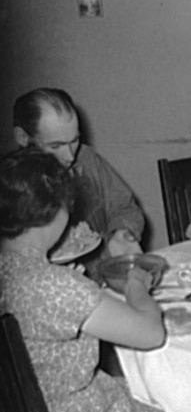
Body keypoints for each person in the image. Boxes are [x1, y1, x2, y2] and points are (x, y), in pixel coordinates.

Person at [0, 148, 174, 412]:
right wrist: (135, 285)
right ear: (54, 211)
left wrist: (74, 288)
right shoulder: (52, 285)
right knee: (180, 405)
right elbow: (151, 333)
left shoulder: (15, 270)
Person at [13, 87, 145, 275]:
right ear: (23, 138)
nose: (69, 156)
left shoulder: (87, 158)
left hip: (103, 279)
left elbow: (124, 207)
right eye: (55, 145)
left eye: (74, 141)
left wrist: (122, 232)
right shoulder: (11, 187)